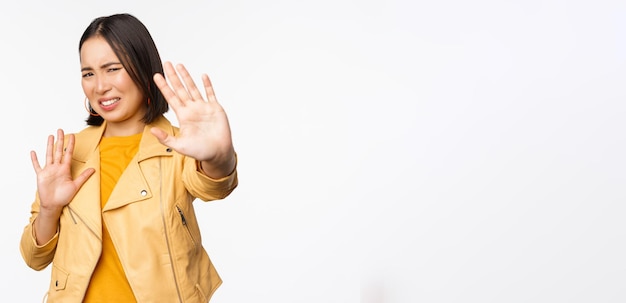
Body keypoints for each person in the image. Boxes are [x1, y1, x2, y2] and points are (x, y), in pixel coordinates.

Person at [19, 13, 238, 302]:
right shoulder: (70, 153)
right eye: (88, 73)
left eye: (112, 69)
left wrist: (220, 156)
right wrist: (49, 209)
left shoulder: (178, 145)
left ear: (142, 68)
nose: (100, 86)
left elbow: (215, 185)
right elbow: (34, 258)